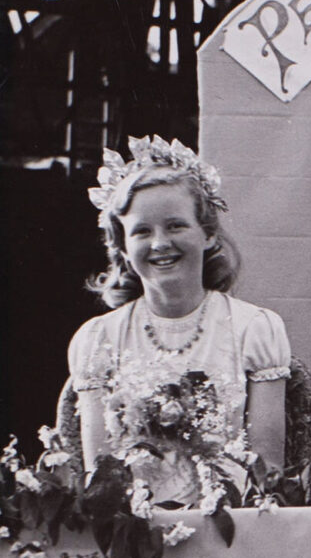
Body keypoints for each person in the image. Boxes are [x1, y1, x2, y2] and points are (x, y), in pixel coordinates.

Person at [68, 135, 291, 504]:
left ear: (208, 234)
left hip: (231, 524)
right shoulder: (99, 339)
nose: (159, 244)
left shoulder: (255, 329)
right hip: (136, 533)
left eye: (175, 226)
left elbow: (268, 473)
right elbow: (101, 478)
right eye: (142, 231)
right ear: (122, 249)